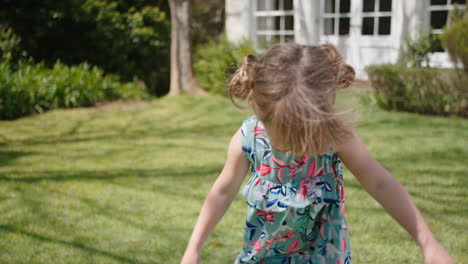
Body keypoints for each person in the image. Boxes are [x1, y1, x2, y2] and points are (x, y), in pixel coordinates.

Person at [180, 42, 454, 264]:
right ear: (261, 113)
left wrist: (427, 242)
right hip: (263, 256)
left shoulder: (333, 136)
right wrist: (193, 248)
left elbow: (380, 183)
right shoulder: (247, 140)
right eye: (289, 133)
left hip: (325, 257)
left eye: (305, 132)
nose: (299, 143)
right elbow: (222, 192)